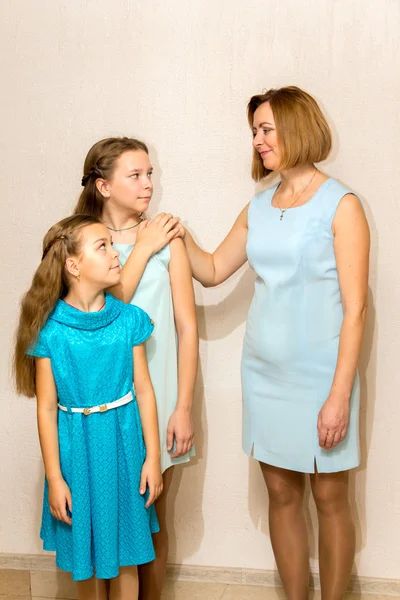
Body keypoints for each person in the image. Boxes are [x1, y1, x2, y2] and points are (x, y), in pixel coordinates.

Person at [177, 87, 370, 600]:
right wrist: (175, 234)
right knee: (281, 495)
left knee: (331, 498)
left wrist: (338, 395)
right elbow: (215, 269)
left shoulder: (342, 204)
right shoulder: (258, 207)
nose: (258, 141)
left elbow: (356, 310)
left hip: (324, 378)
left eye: (266, 129)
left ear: (296, 125)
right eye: (255, 132)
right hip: (263, 374)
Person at [14, 215, 162, 600]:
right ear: (73, 265)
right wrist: (55, 478)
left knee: (128, 556)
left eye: (112, 245)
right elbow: (46, 408)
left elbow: (144, 392)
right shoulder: (50, 331)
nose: (116, 254)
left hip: (125, 447)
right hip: (75, 453)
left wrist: (153, 459)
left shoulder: (128, 320)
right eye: (104, 246)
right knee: (89, 559)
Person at [75, 137, 198, 599]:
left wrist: (182, 406)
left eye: (151, 174)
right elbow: (95, 310)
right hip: (100, 396)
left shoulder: (167, 239)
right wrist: (140, 249)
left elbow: (187, 328)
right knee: (105, 508)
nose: (149, 184)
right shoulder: (83, 241)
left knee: (151, 511)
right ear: (104, 186)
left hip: (158, 391)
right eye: (136, 175)